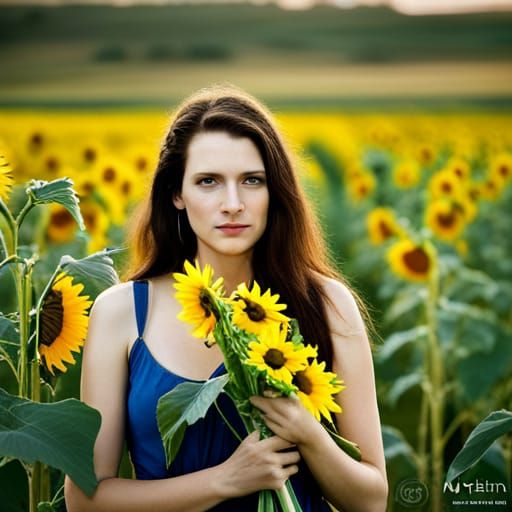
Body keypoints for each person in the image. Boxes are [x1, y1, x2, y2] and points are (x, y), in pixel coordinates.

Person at [64, 83, 388, 512]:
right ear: (176, 194)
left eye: (252, 181)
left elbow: (371, 500)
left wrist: (308, 433)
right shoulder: (122, 313)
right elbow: (86, 500)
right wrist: (225, 481)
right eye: (208, 182)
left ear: (275, 192)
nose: (232, 204)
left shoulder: (326, 305)